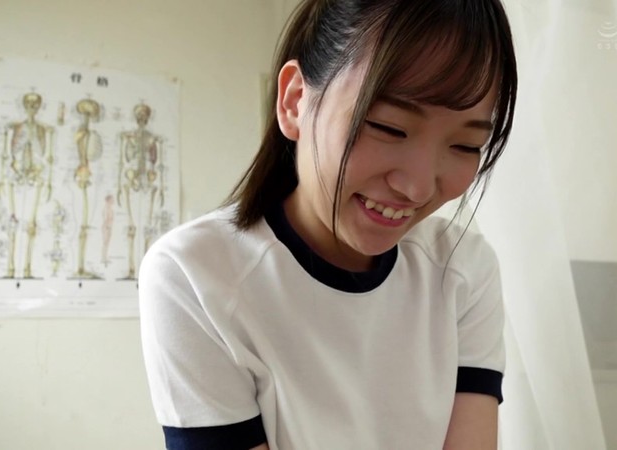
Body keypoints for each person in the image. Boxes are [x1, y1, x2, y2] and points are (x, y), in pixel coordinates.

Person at [139, 0, 517, 448]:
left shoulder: (462, 267)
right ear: (295, 100)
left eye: (465, 145)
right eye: (388, 127)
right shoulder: (196, 275)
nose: (417, 188)